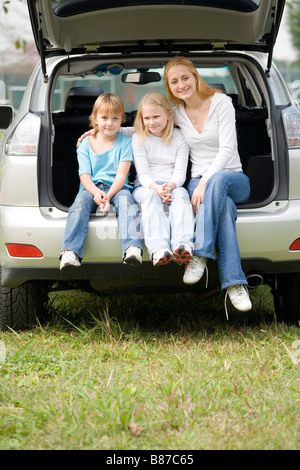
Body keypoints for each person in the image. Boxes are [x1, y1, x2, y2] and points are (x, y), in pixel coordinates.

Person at [164, 56, 252, 314]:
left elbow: (228, 148)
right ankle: (235, 284)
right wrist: (96, 132)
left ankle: (200, 253)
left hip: (232, 177)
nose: (181, 85)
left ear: (195, 77)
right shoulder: (177, 113)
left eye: (185, 78)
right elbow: (149, 126)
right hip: (200, 185)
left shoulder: (221, 103)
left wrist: (204, 181)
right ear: (169, 87)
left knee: (220, 182)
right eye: (174, 81)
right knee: (223, 208)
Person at [59, 93, 143, 270]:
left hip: (118, 188)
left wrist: (108, 196)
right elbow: (84, 176)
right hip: (91, 188)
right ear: (95, 119)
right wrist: (97, 194)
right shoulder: (85, 144)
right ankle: (70, 251)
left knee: (127, 202)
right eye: (104, 118)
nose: (109, 123)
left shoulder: (125, 143)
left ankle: (132, 247)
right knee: (79, 204)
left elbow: (121, 176)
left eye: (115, 118)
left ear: (122, 120)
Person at [132, 92, 194, 266]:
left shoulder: (180, 138)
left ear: (169, 115)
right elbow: (143, 174)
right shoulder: (139, 138)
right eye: (147, 118)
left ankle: (183, 244)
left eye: (156, 116)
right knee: (151, 197)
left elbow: (180, 173)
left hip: (173, 185)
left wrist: (170, 187)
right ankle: (158, 248)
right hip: (146, 186)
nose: (151, 122)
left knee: (182, 195)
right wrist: (157, 189)